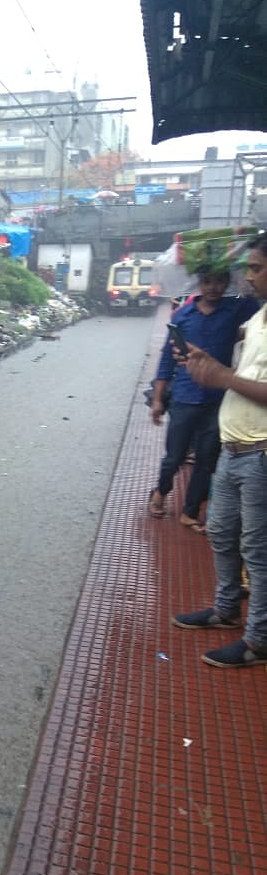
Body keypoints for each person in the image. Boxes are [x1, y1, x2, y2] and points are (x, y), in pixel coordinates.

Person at [172, 233, 267, 668]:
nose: (248, 278)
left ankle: (259, 640)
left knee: (258, 550)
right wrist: (206, 364)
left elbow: (236, 379)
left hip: (261, 453)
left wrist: (222, 377)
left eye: (256, 268)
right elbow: (241, 374)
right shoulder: (260, 317)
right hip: (234, 447)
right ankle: (227, 611)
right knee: (223, 534)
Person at [147, 268, 260, 531]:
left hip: (218, 400)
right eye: (207, 281)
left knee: (206, 460)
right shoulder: (182, 315)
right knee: (173, 457)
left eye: (220, 281)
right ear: (199, 283)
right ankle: (161, 492)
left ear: (227, 283)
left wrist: (244, 279)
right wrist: (158, 400)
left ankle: (190, 511)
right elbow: (166, 359)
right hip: (185, 398)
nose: (213, 287)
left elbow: (256, 307)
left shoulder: (236, 310)